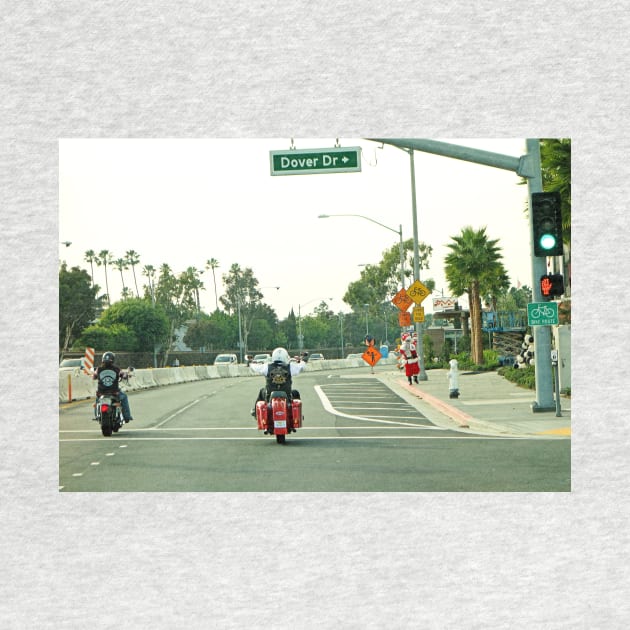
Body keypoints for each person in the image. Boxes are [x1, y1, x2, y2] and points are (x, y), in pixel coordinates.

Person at [250, 347, 305, 416]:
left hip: (269, 396)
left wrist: (252, 363)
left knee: (262, 391)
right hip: (287, 396)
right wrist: (300, 361)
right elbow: (302, 367)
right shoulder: (290, 367)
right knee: (295, 392)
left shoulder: (267, 367)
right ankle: (297, 414)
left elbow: (255, 368)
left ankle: (255, 412)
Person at [92, 351, 133, 422]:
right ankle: (127, 416)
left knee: (98, 400)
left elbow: (94, 376)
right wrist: (126, 375)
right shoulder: (116, 369)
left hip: (101, 393)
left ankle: (96, 415)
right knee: (124, 397)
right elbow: (123, 375)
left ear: (103, 360)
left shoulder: (99, 369)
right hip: (114, 392)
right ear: (113, 360)